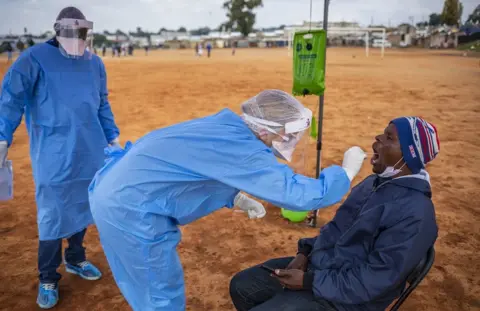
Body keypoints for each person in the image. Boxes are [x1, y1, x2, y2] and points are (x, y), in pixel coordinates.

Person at [88, 89, 368, 311]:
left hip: (117, 188)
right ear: (265, 129)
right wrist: (345, 172)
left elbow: (197, 168)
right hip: (130, 208)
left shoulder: (229, 126)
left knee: (147, 287)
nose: (292, 139)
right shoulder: (244, 148)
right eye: (290, 133)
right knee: (157, 293)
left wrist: (235, 197)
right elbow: (300, 196)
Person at [230, 116, 440, 311]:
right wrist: (305, 253)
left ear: (409, 154)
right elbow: (336, 228)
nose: (377, 138)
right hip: (323, 268)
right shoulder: (373, 184)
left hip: (348, 300)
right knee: (241, 286)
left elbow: (376, 279)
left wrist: (308, 282)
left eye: (389, 137)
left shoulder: (415, 213)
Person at [0, 7, 120, 309]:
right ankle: (48, 277)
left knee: (82, 205)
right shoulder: (34, 58)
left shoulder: (95, 64)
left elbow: (102, 103)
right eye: (73, 32)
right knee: (52, 215)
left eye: (82, 33)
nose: (78, 38)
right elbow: (11, 98)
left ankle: (76, 258)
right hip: (53, 153)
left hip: (90, 151)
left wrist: (113, 139)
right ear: (59, 30)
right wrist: (2, 136)